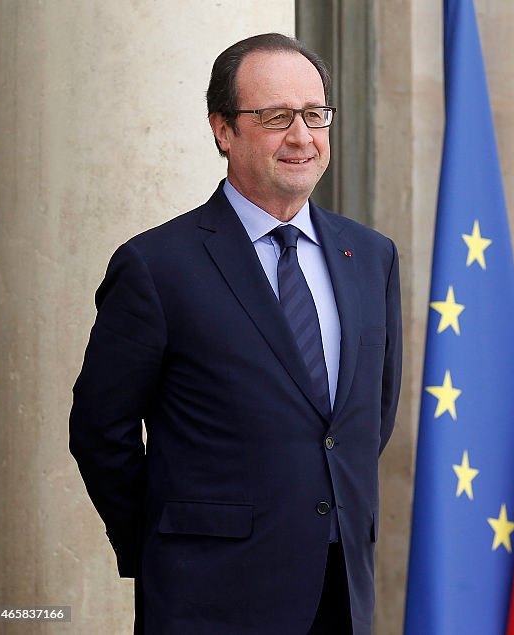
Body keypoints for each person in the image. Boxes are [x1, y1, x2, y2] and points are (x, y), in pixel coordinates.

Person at [69, 33, 401, 634]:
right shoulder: (157, 266)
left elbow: (367, 419)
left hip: (340, 591)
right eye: (275, 117)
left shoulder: (371, 257)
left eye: (314, 115)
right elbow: (100, 431)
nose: (301, 137)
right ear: (223, 130)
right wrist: (169, 543)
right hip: (207, 598)